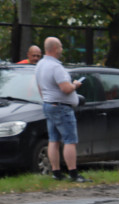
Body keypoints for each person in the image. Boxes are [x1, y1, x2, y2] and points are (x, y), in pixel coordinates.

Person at [35, 37, 89, 183]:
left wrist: (47, 99)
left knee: (54, 140)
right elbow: (65, 89)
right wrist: (76, 85)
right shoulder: (56, 67)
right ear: (56, 48)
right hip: (61, 107)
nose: (62, 50)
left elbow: (40, 87)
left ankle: (56, 172)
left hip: (48, 104)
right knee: (70, 140)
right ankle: (73, 173)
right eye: (61, 47)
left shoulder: (40, 65)